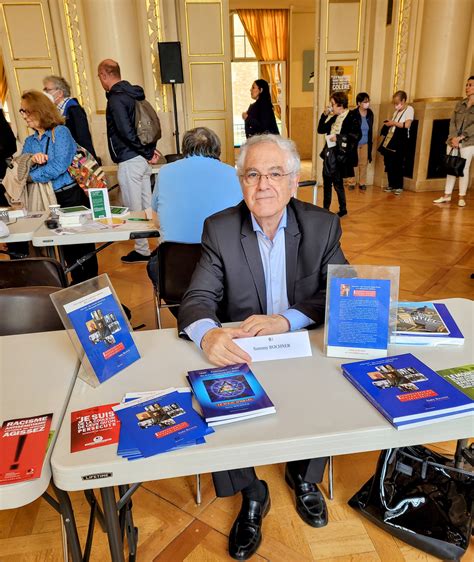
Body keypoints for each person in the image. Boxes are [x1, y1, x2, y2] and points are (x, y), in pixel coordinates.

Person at [178, 134, 347, 560]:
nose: (263, 185)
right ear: (241, 183)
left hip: (302, 344)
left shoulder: (323, 225)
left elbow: (339, 291)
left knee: (332, 385)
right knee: (211, 397)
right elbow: (197, 298)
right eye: (253, 174)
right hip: (246, 353)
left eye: (276, 173)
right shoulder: (219, 228)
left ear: (294, 183)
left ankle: (304, 476)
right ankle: (252, 492)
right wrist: (208, 333)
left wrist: (286, 319)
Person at [147, 126, 242, 299]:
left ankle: (189, 313)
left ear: (185, 148)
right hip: (224, 270)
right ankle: (203, 313)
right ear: (217, 148)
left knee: (154, 264)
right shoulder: (233, 174)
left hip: (174, 272)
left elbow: (157, 221)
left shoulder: (165, 172)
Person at [20, 90, 98, 283]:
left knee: (80, 246)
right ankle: (67, 289)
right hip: (46, 199)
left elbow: (58, 166)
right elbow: (20, 169)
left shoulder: (61, 132)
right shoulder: (30, 141)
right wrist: (30, 165)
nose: (23, 116)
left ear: (39, 111)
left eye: (26, 111)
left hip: (69, 196)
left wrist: (33, 174)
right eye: (21, 111)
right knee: (60, 248)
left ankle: (89, 289)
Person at [98, 59, 160, 264]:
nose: (100, 80)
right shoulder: (133, 93)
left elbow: (126, 132)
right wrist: (149, 152)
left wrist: (146, 152)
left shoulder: (115, 98)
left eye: (99, 76)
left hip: (130, 158)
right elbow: (142, 126)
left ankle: (142, 250)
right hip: (140, 159)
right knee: (147, 205)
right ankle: (159, 247)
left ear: (105, 75)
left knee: (134, 208)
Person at [317, 91, 361, 217]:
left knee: (337, 183)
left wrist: (339, 137)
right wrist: (324, 115)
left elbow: (356, 136)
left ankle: (343, 209)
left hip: (340, 156)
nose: (331, 106)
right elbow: (321, 129)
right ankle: (325, 209)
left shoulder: (352, 116)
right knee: (326, 181)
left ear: (340, 105)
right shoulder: (335, 118)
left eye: (332, 104)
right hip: (329, 154)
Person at [433, 76, 474, 207]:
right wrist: (453, 138)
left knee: (464, 169)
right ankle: (447, 195)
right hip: (453, 140)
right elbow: (452, 122)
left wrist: (461, 138)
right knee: (450, 166)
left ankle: (462, 196)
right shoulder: (460, 103)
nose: (467, 87)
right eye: (467, 84)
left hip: (468, 142)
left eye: (470, 85)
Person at [43, 75, 98, 159]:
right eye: (44, 89)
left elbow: (83, 137)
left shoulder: (74, 109)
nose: (45, 93)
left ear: (60, 93)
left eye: (48, 90)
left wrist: (88, 158)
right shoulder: (55, 110)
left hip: (76, 158)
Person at [379, 90, 414, 195]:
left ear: (403, 101)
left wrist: (393, 123)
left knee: (397, 163)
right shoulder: (396, 112)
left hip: (400, 141)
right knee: (389, 163)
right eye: (394, 103)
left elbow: (407, 125)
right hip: (391, 139)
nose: (396, 105)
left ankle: (398, 186)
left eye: (397, 103)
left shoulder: (409, 109)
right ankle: (391, 184)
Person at [347, 92, 374, 191]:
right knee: (353, 163)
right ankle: (351, 182)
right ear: (359, 103)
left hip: (366, 142)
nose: (367, 103)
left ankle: (362, 183)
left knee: (363, 163)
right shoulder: (353, 113)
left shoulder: (370, 113)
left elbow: (370, 128)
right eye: (364, 101)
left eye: (368, 101)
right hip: (354, 143)